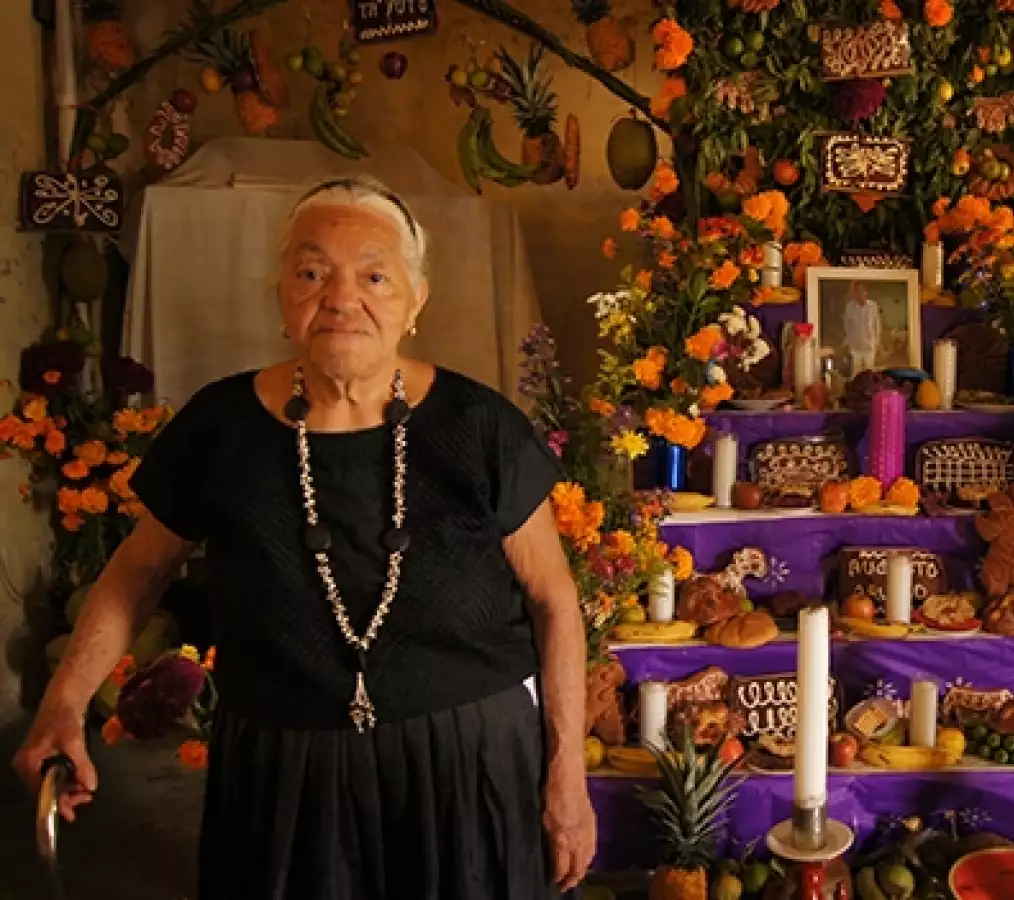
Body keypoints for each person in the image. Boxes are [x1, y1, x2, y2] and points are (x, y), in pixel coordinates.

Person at [13, 176, 594, 900]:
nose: (342, 298)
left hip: (467, 766)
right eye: (313, 272)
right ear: (283, 296)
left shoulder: (480, 429)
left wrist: (566, 776)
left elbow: (554, 601)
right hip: (284, 776)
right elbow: (137, 574)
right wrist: (63, 704)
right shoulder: (221, 428)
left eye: (375, 276)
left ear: (416, 302)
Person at [839, 281, 881, 375]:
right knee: (855, 374)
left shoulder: (873, 306)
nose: (860, 293)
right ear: (855, 293)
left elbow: (877, 325)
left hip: (869, 346)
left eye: (862, 290)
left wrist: (876, 344)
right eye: (857, 291)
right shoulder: (850, 307)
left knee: (869, 373)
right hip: (855, 347)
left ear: (866, 292)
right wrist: (848, 342)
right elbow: (847, 325)